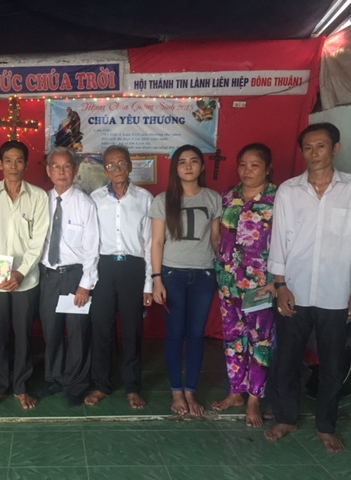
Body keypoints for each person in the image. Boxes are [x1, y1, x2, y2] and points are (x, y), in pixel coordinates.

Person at [265, 123, 351, 453]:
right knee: (287, 359)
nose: (314, 153)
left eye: (321, 146)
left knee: (332, 364)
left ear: (335, 148)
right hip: (294, 289)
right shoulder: (288, 191)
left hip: (336, 291)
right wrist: (280, 285)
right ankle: (285, 418)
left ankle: (326, 426)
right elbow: (278, 242)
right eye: (308, 147)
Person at [0, 140, 49, 410]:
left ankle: (20, 386)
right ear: (0, 164)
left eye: (19, 160)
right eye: (8, 160)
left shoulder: (38, 197)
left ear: (26, 164)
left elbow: (38, 242)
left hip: (26, 279)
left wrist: (20, 272)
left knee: (23, 334)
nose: (13, 166)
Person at [150, 145, 221, 417]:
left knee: (196, 335)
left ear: (201, 166)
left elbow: (215, 239)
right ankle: (176, 391)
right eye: (182, 162)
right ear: (175, 168)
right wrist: (157, 279)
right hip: (172, 275)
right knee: (174, 334)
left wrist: (224, 271)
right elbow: (157, 242)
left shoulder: (213, 198)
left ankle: (191, 390)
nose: (188, 166)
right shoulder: (163, 200)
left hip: (204, 275)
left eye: (193, 161)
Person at [211, 144, 277, 427]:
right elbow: (218, 234)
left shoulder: (278, 199)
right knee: (233, 338)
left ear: (267, 168)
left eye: (254, 165)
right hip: (228, 282)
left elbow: (289, 240)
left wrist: (277, 281)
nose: (247, 171)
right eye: (242, 165)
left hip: (261, 284)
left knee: (260, 341)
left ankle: (254, 399)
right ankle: (236, 391)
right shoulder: (229, 196)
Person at [86, 145, 153, 409]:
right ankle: (102, 384)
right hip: (103, 268)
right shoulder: (95, 198)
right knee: (101, 328)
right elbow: (90, 242)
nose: (117, 169)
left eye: (122, 163)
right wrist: (89, 279)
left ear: (130, 166)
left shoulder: (145, 199)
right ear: (105, 170)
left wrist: (149, 283)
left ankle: (132, 386)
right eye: (111, 165)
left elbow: (150, 244)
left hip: (133, 269)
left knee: (132, 330)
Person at [38, 147, 99, 407]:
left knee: (77, 333)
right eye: (56, 166)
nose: (61, 172)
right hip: (48, 276)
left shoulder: (85, 204)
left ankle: (76, 384)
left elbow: (92, 248)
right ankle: (54, 379)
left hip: (75, 276)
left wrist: (85, 285)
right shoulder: (41, 201)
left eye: (66, 167)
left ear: (74, 170)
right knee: (51, 330)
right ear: (48, 170)